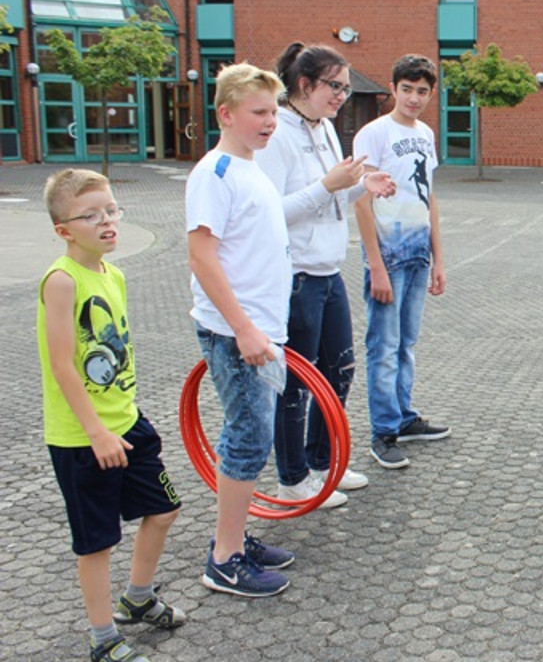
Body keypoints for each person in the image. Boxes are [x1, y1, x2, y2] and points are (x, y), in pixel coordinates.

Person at [39, 170, 185, 662]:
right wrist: (96, 431)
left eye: (111, 209)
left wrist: (118, 421)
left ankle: (137, 599)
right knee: (96, 541)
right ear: (64, 229)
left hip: (127, 423)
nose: (107, 221)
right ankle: (102, 637)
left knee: (163, 510)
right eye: (91, 215)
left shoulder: (112, 274)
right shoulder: (61, 281)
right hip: (84, 439)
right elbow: (63, 365)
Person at [257, 42, 395, 506]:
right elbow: (270, 213)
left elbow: (333, 195)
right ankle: (292, 478)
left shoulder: (326, 130)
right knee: (296, 383)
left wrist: (361, 184)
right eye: (334, 86)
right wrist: (327, 187)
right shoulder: (276, 135)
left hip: (328, 270)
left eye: (345, 86)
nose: (342, 95)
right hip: (296, 275)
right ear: (304, 85)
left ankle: (321, 465)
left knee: (337, 373)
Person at [187, 63, 297, 597]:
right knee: (248, 438)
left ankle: (236, 539)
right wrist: (244, 330)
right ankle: (224, 558)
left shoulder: (252, 168)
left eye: (274, 111)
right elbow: (201, 257)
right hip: (237, 335)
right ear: (225, 113)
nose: (270, 121)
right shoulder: (216, 174)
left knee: (253, 438)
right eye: (259, 112)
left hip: (261, 330)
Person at [354, 54, 452, 470]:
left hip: (417, 253)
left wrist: (439, 259)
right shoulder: (373, 134)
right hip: (388, 256)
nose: (414, 98)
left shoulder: (426, 133)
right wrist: (375, 264)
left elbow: (428, 195)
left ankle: (404, 416)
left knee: (406, 343)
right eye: (407, 89)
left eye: (423, 91)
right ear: (392, 89)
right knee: (384, 345)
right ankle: (384, 431)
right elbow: (361, 198)